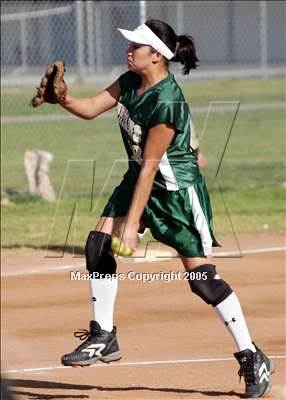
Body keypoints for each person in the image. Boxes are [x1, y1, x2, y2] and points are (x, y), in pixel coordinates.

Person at [59, 19, 273, 398]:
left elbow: (152, 166)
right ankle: (104, 334)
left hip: (175, 191)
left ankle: (251, 353)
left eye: (137, 46)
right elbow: (91, 107)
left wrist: (131, 226)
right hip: (138, 179)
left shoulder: (167, 99)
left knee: (202, 280)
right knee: (97, 246)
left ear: (157, 55)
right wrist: (61, 98)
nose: (129, 50)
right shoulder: (129, 82)